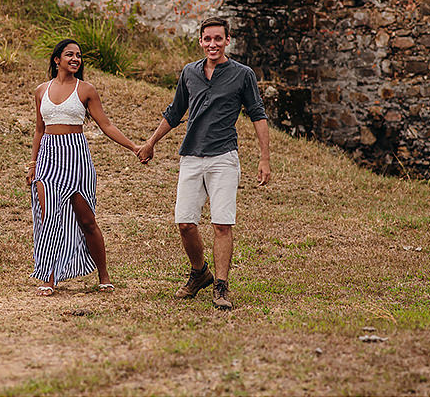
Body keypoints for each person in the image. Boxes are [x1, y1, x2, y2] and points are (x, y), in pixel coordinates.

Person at [137, 16, 271, 310]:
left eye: (218, 39)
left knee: (222, 224)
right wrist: (151, 142)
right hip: (191, 156)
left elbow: (258, 114)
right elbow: (175, 112)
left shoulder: (242, 74)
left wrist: (264, 158)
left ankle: (221, 287)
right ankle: (200, 273)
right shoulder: (189, 72)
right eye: (207, 39)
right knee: (185, 223)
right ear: (200, 41)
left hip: (224, 156)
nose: (213, 44)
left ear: (227, 40)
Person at [26, 38, 140, 296]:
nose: (75, 59)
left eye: (78, 55)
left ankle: (103, 274)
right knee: (49, 219)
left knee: (87, 220)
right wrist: (32, 163)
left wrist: (133, 147)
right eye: (69, 55)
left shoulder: (86, 89)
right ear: (57, 60)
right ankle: (49, 277)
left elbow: (106, 125)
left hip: (76, 157)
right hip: (48, 158)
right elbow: (39, 130)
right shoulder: (41, 90)